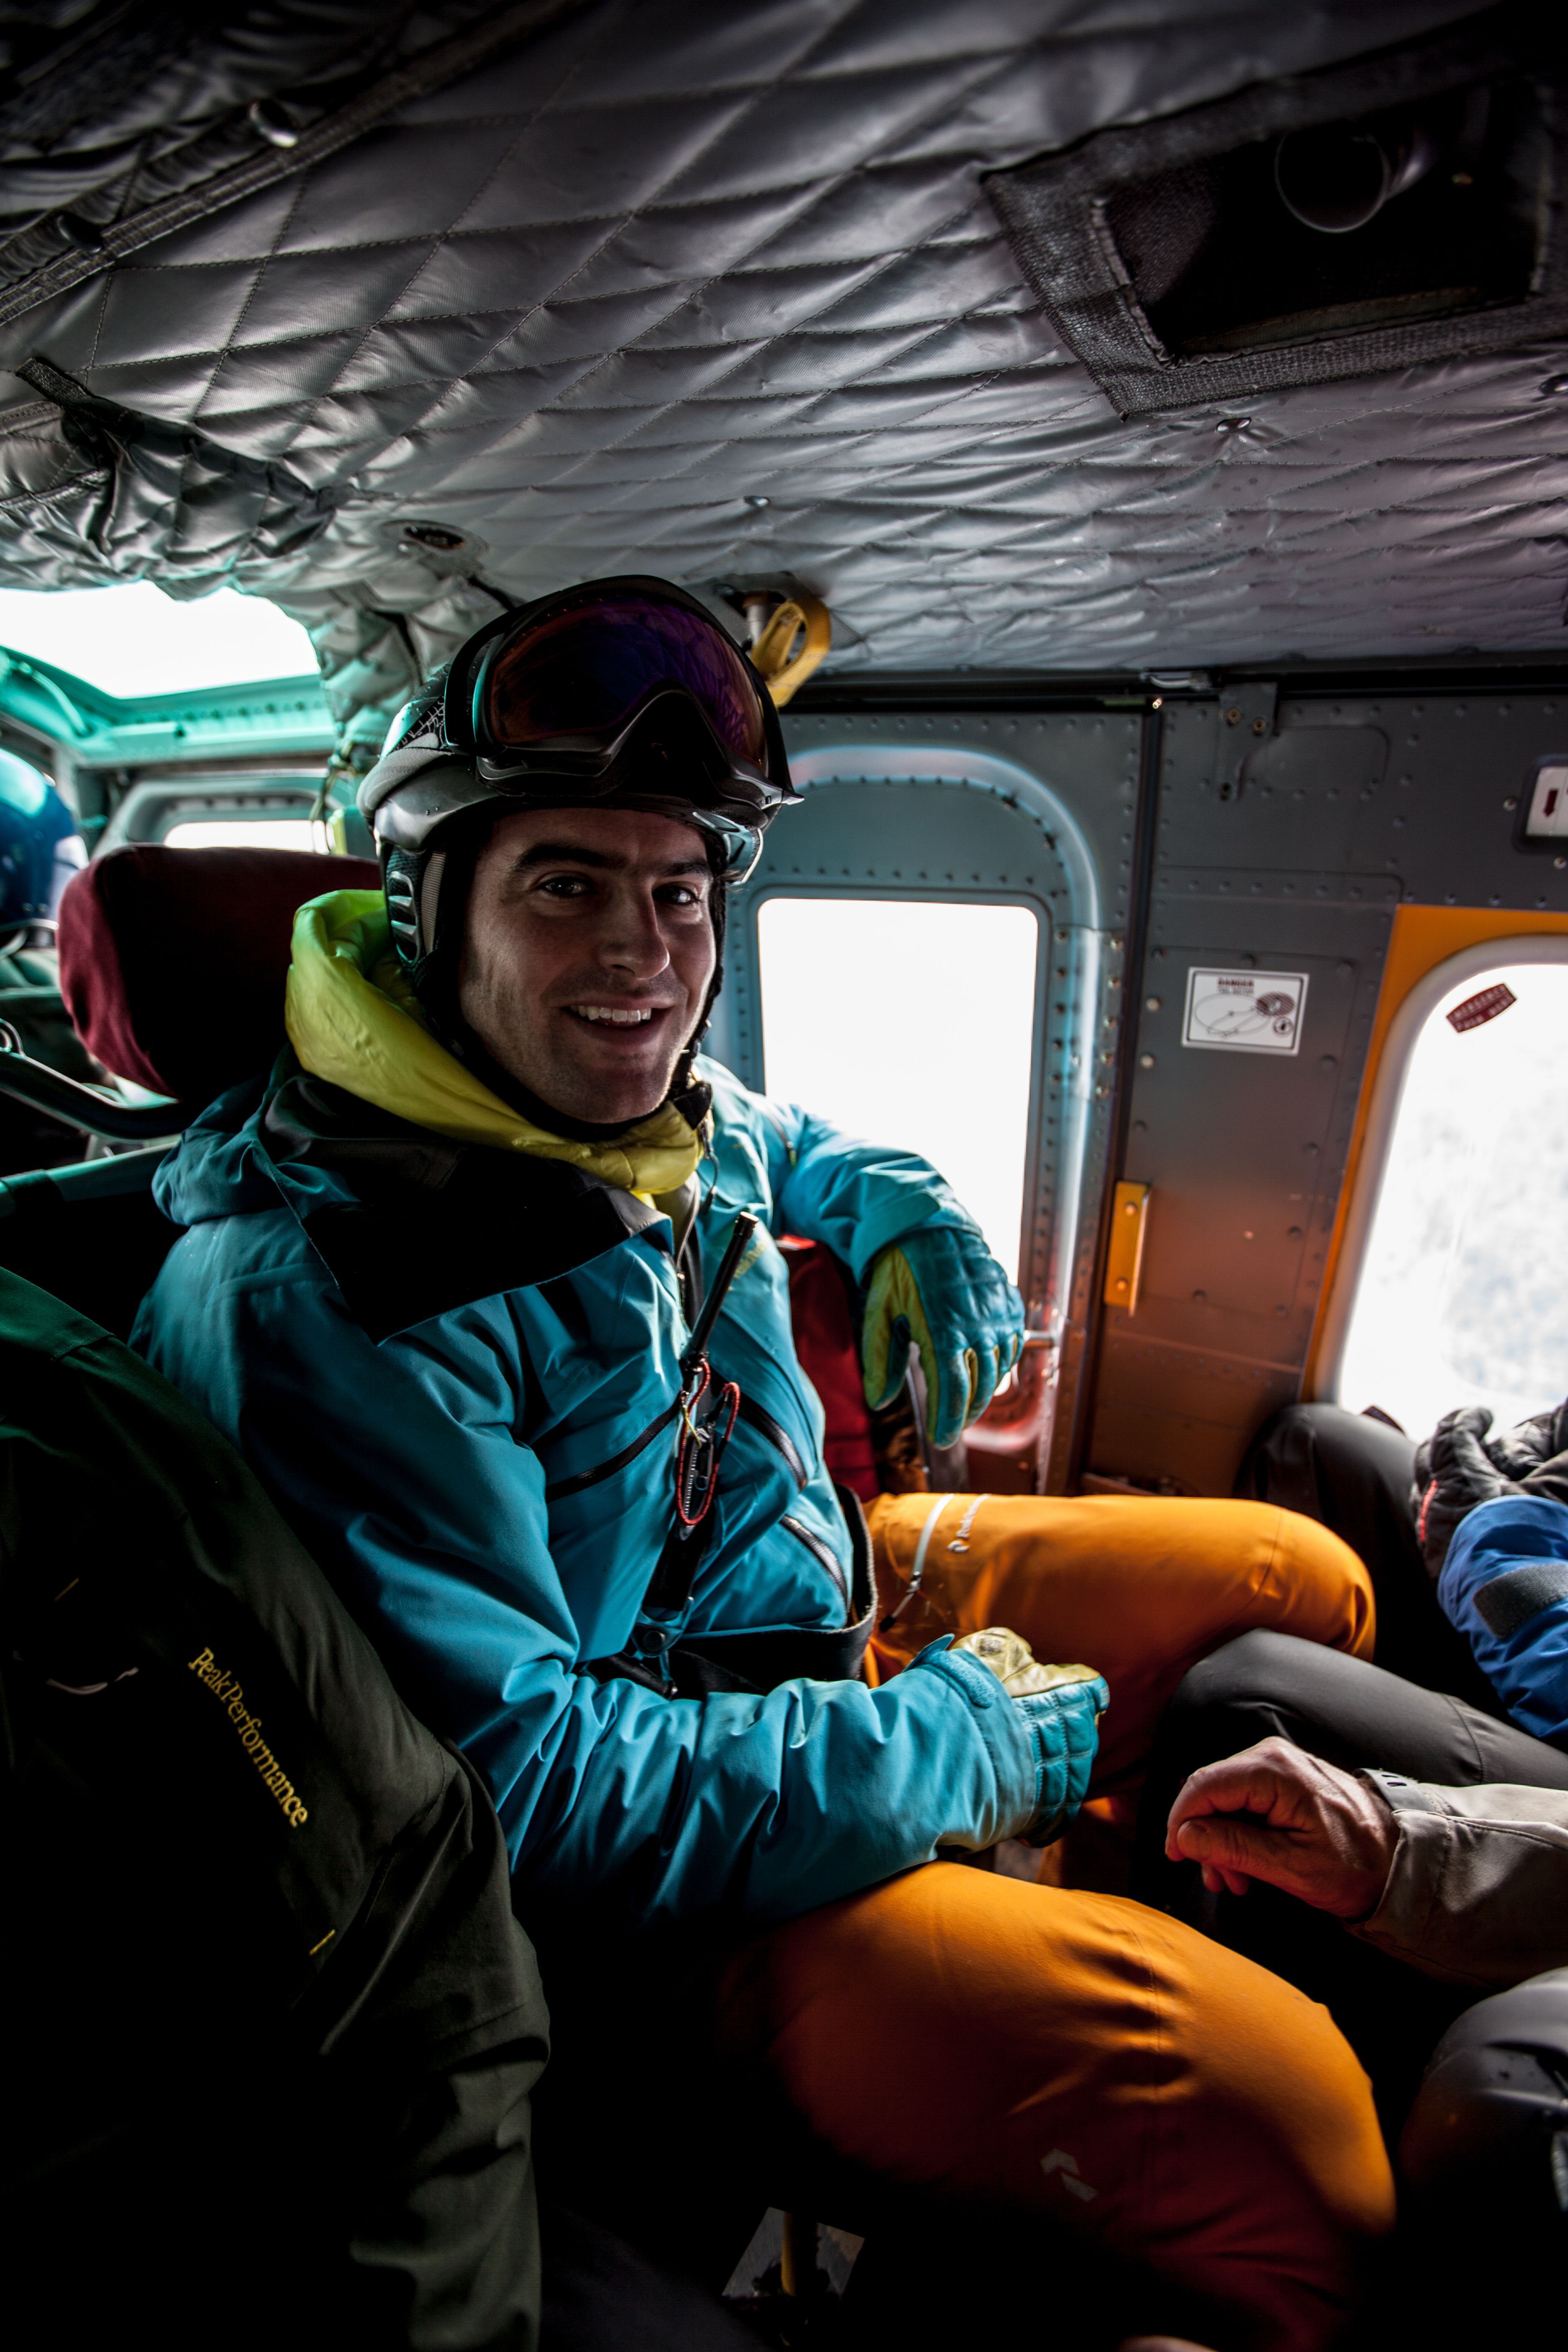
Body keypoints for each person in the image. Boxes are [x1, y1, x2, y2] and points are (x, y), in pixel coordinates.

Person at [134, 577, 1393, 2351]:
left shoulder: (602, 1102)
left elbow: (755, 1128)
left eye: (680, 889)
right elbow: (530, 1806)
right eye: (566, 884)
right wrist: (942, 1748)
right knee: (1295, 2144)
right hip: (642, 1903)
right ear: (426, 920)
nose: (644, 953)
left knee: (1302, 1577)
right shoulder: (336, 1292)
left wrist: (892, 1195)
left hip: (810, 1613)